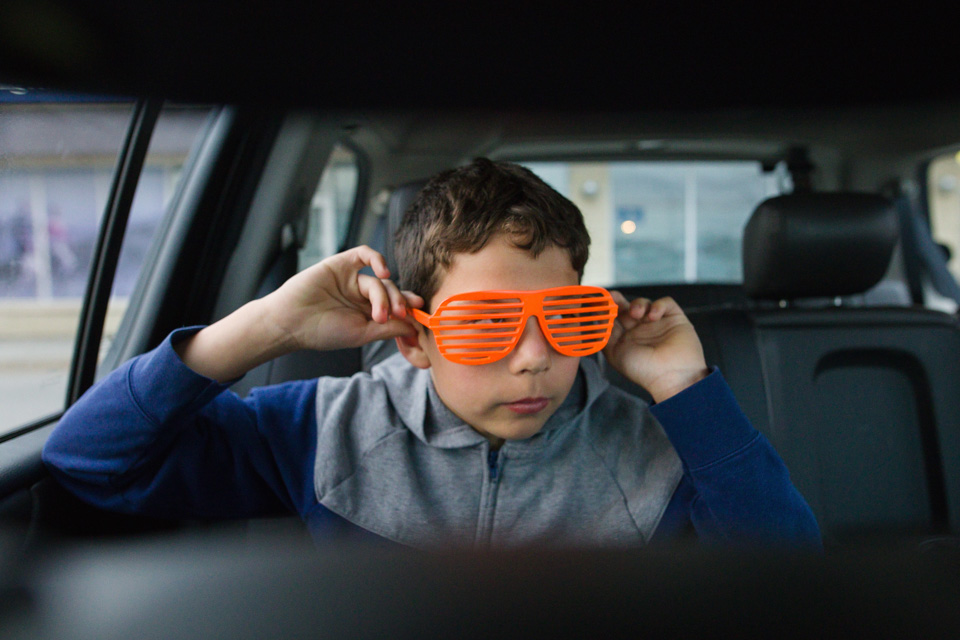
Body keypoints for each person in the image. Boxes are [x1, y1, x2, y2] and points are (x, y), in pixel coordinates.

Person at [42, 158, 820, 549]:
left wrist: (684, 387)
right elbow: (89, 462)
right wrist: (265, 327)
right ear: (414, 337)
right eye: (486, 325)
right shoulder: (321, 430)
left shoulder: (656, 446)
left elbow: (789, 581)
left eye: (569, 320)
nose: (534, 358)